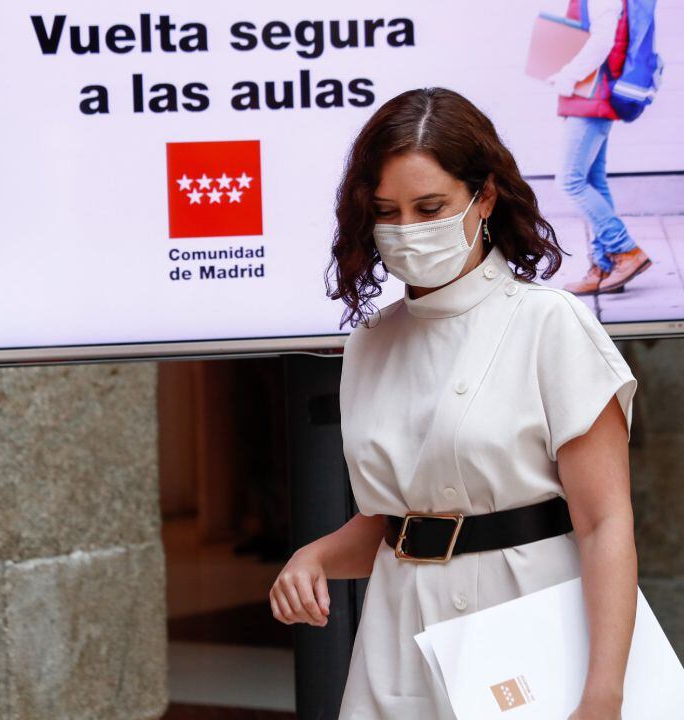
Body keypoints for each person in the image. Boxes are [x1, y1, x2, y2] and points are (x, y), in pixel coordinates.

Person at [270, 87, 640, 720]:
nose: (408, 231)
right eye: (388, 211)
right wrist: (315, 557)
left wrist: (603, 694)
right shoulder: (370, 343)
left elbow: (605, 523)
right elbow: (395, 523)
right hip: (399, 640)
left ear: (484, 197)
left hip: (530, 631)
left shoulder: (549, 323)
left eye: (430, 207)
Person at [547, 0, 653, 295]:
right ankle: (604, 265)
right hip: (593, 97)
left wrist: (569, 74)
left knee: (570, 182)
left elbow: (603, 40)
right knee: (593, 182)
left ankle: (626, 251)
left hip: (591, 97)